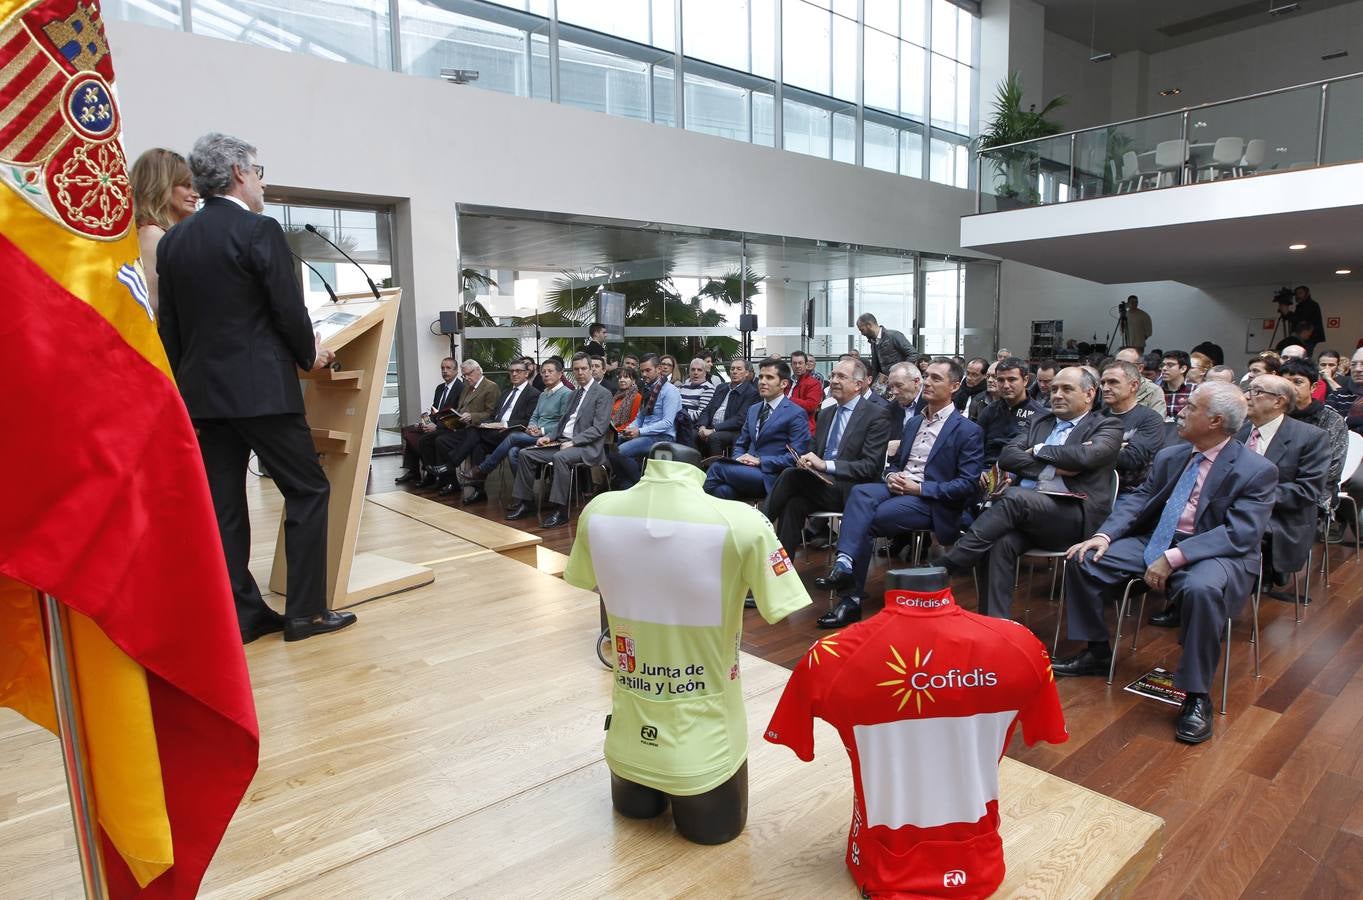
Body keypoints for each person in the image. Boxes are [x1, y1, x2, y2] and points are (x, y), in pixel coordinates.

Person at [157, 132, 353, 643]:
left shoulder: (175, 239)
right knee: (308, 489)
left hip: (204, 396)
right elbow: (288, 310)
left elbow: (170, 329)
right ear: (240, 173)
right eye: (260, 171)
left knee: (224, 505)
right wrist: (309, 354)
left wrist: (187, 390)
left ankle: (243, 614)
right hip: (262, 392)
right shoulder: (258, 230)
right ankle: (306, 613)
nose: (263, 182)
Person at [564, 443, 811, 846]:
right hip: (706, 748)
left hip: (626, 743)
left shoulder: (599, 511)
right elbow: (784, 605)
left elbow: (581, 576)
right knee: (713, 834)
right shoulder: (742, 522)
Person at [1058, 383, 1277, 744]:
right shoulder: (1172, 455)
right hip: (1158, 538)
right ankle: (1096, 651)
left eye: (1191, 407)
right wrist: (1105, 536)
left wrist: (1172, 558)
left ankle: (1196, 695)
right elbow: (1140, 498)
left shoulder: (1257, 470)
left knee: (1201, 589)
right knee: (1084, 558)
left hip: (1216, 551)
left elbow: (1240, 533)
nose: (1181, 412)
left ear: (1215, 421)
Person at [935, 367, 1123, 619]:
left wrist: (1037, 449)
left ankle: (949, 564)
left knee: (1012, 497)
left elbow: (1088, 456)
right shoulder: (1041, 421)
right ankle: (995, 625)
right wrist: (1053, 468)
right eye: (1054, 388)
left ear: (1089, 394)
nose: (1057, 394)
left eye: (1067, 389)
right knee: (998, 543)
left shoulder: (1107, 425)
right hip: (1029, 515)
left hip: (1074, 516)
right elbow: (1008, 456)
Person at [814, 360, 983, 627]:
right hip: (899, 488)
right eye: (926, 376)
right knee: (861, 493)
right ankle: (845, 565)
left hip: (930, 500)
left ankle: (851, 599)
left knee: (867, 519)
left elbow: (967, 485)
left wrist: (920, 488)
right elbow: (895, 464)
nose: (927, 382)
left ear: (954, 386)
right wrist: (891, 475)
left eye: (936, 379)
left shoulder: (968, 430)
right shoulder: (914, 423)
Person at [763, 356, 890, 552]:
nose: (834, 381)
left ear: (857, 385)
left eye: (841, 376)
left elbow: (870, 467)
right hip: (820, 483)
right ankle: (783, 569)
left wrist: (825, 465)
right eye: (832, 375)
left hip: (851, 490)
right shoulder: (826, 413)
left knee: (790, 476)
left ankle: (759, 525)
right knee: (793, 503)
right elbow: (813, 450)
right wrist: (806, 460)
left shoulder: (876, 415)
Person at [1238, 374, 1329, 593]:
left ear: (1279, 401)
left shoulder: (1310, 437)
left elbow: (1307, 490)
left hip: (1281, 516)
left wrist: (1252, 496)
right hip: (1235, 509)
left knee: (1234, 531)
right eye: (1248, 390)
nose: (1247, 396)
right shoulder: (1239, 431)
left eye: (1256, 392)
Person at [506, 352, 612, 528]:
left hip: (587, 447)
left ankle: (560, 511)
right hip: (562, 442)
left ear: (591, 369)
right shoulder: (574, 394)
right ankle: (526, 503)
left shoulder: (603, 394)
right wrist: (548, 437)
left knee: (559, 458)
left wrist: (575, 441)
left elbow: (599, 428)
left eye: (584, 368)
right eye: (576, 369)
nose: (580, 373)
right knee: (525, 453)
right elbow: (562, 422)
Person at [703, 359, 810, 502]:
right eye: (761, 377)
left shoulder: (795, 413)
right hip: (746, 470)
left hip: (772, 476)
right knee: (723, 491)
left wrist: (760, 461)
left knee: (717, 468)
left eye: (769, 378)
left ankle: (693, 514)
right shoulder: (754, 409)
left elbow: (797, 456)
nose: (762, 382)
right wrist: (739, 459)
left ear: (784, 384)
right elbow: (741, 443)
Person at [467, 358, 573, 501]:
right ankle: (524, 497)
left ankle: (483, 469)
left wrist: (541, 430)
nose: (546, 374)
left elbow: (563, 422)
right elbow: (534, 416)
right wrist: (531, 427)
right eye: (543, 372)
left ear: (560, 374)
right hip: (534, 435)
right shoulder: (543, 394)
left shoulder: (566, 394)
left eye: (550, 371)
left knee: (513, 437)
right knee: (513, 452)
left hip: (552, 438)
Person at [435, 359, 537, 498]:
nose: (514, 374)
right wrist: (488, 424)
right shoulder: (506, 392)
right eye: (511, 371)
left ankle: (451, 464)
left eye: (518, 371)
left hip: (512, 432)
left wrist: (503, 424)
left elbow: (528, 420)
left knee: (473, 430)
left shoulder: (533, 394)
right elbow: (494, 414)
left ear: (526, 374)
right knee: (477, 445)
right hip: (495, 432)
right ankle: (479, 491)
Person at [131, 147, 198, 316]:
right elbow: (151, 307)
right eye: (186, 186)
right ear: (161, 187)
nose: (195, 194)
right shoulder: (152, 235)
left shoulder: (165, 234)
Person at [428, 359, 501, 491]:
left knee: (475, 445)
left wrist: (472, 416)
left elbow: (492, 414)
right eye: (464, 375)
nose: (466, 378)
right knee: (441, 441)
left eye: (468, 374)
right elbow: (461, 407)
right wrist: (453, 416)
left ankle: (448, 467)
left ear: (478, 371)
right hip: (462, 427)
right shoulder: (467, 387)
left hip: (478, 428)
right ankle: (450, 481)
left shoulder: (491, 387)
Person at [614, 354, 681, 489]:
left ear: (659, 369)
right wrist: (629, 429)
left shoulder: (670, 391)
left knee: (620, 452)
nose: (644, 374)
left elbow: (667, 422)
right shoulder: (648, 389)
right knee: (611, 449)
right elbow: (640, 417)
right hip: (646, 434)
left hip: (662, 437)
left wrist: (639, 431)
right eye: (642, 371)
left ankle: (641, 485)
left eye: (648, 370)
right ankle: (627, 485)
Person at [1099, 361, 1166, 492]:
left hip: (1130, 491)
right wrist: (1118, 446)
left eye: (1113, 382)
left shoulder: (1150, 419)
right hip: (1092, 487)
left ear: (1134, 385)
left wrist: (1092, 448)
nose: (1105, 388)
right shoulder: (1096, 417)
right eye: (1103, 383)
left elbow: (1133, 459)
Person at [396, 357, 461, 485]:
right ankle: (413, 471)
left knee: (425, 439)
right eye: (442, 368)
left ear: (456, 371)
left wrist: (436, 427)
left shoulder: (460, 388)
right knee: (409, 430)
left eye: (448, 368)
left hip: (448, 429)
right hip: (434, 424)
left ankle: (430, 474)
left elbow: (455, 417)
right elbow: (435, 410)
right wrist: (426, 422)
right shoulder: (440, 388)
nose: (444, 371)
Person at [974, 356, 1045, 472]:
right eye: (1001, 380)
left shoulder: (1040, 415)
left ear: (1025, 380)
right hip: (985, 471)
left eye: (1012, 379)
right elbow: (974, 446)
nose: (1006, 386)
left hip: (1018, 474)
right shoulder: (989, 410)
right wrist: (977, 470)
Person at [696, 359, 757, 457]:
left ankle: (716, 468)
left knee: (714, 437)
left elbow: (740, 419)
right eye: (732, 369)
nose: (734, 371)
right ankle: (695, 467)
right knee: (692, 434)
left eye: (739, 369)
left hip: (732, 430)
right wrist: (702, 426)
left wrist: (713, 430)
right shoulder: (721, 388)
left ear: (746, 373)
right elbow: (707, 410)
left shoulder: (751, 392)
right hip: (711, 427)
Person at [856, 313, 918, 386]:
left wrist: (901, 372)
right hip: (886, 383)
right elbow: (876, 367)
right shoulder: (873, 342)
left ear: (869, 325)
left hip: (900, 382)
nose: (862, 333)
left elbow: (913, 354)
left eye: (862, 330)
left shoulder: (894, 336)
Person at [883, 362, 925, 444]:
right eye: (891, 387)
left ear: (916, 382)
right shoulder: (890, 410)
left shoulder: (933, 405)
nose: (894, 392)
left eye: (899, 385)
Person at [1114, 347, 1164, 413]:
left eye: (1126, 364)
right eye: (1117, 363)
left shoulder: (1153, 390)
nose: (1119, 367)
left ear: (1140, 368)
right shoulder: (1107, 386)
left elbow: (1157, 420)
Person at [784, 350, 823, 434]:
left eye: (800, 363)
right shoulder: (787, 382)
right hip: (785, 427)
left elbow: (810, 406)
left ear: (806, 365)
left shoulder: (814, 383)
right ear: (791, 365)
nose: (797, 366)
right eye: (794, 363)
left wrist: (787, 399)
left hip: (804, 429)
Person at [1158, 351, 1194, 422]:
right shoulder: (1156, 389)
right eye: (1162, 365)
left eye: (1170, 365)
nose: (1164, 368)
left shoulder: (1195, 390)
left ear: (1183, 369)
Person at [678, 358, 716, 425]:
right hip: (677, 421)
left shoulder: (708, 388)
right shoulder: (683, 386)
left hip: (691, 425)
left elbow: (702, 413)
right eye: (693, 370)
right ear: (689, 372)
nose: (695, 373)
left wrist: (681, 419)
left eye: (699, 370)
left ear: (705, 373)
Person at [1290, 285, 1325, 354]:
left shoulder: (1310, 305)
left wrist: (1288, 313)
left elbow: (1302, 319)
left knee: (1303, 355)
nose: (1298, 295)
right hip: (1307, 336)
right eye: (1296, 294)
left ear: (1307, 293)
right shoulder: (1304, 305)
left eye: (1300, 293)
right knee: (1303, 354)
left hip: (1308, 336)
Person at [610, 366, 642, 438]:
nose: (621, 380)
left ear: (633, 380)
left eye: (625, 377)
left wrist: (615, 431)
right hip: (611, 430)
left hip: (624, 433)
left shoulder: (637, 397)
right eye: (620, 377)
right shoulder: (616, 396)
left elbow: (633, 421)